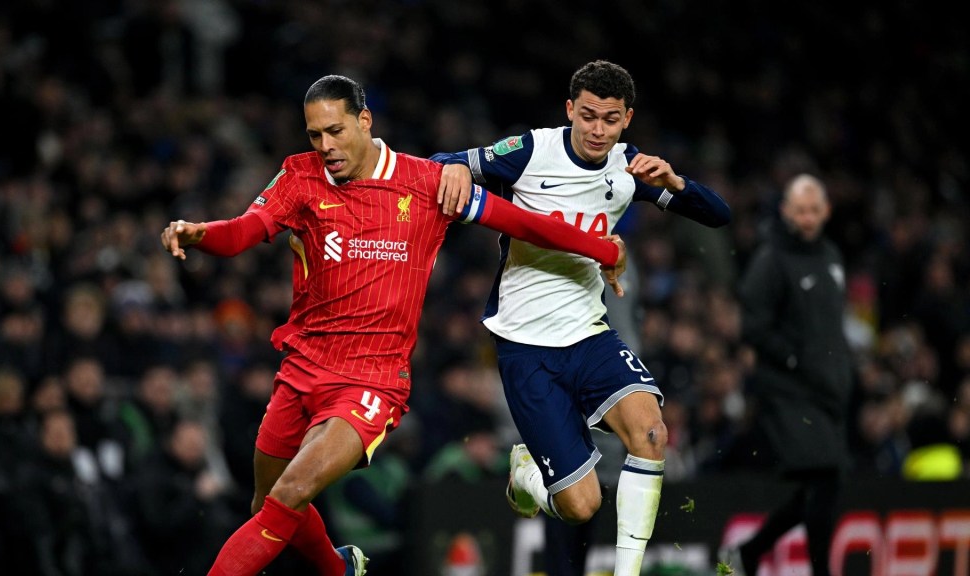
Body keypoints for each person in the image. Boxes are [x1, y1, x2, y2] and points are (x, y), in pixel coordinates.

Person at [160, 73, 630, 576]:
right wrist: (201, 233)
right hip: (302, 368)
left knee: (292, 491)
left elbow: (518, 221)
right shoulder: (300, 177)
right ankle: (339, 570)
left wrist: (604, 249)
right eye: (314, 134)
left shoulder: (426, 183)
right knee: (267, 505)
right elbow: (242, 234)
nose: (326, 146)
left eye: (336, 131)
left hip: (372, 379)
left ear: (365, 121)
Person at [431, 59, 731, 576]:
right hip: (525, 345)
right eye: (587, 115)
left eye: (609, 119)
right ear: (569, 109)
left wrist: (677, 183)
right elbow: (441, 161)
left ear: (626, 119)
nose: (597, 129)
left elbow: (719, 215)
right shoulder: (531, 150)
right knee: (581, 506)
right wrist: (456, 164)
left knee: (652, 434)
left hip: (589, 333)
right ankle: (527, 476)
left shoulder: (629, 166)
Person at [728, 173, 854, 576]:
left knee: (824, 484)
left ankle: (751, 550)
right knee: (823, 476)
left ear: (827, 211)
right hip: (788, 389)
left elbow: (831, 327)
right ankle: (817, 570)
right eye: (800, 210)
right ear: (785, 211)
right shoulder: (771, 259)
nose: (807, 218)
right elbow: (752, 325)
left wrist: (841, 373)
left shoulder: (833, 256)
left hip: (826, 389)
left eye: (814, 209)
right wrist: (794, 359)